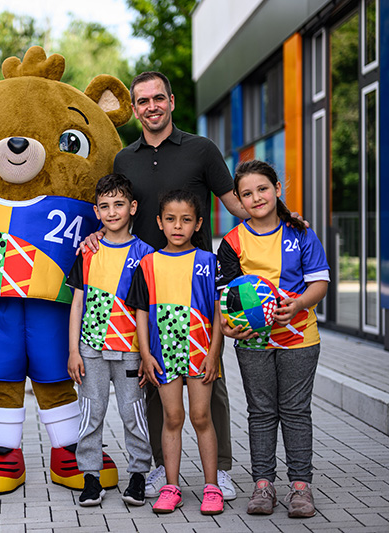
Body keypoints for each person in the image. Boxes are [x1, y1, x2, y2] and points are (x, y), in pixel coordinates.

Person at [84, 71, 245, 500]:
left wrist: (282, 219)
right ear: (134, 108)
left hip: (197, 286)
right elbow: (115, 207)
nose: (151, 106)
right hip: (146, 286)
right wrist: (95, 234)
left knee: (212, 384)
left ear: (171, 102)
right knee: (150, 379)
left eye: (158, 98)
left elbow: (236, 204)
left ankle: (221, 470)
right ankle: (160, 468)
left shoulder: (201, 150)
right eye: (142, 101)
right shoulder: (125, 159)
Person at [217, 160, 329, 518]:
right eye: (247, 193)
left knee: (295, 412)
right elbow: (227, 299)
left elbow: (320, 284)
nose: (256, 197)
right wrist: (228, 326)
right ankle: (263, 485)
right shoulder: (232, 243)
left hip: (300, 338)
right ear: (238, 200)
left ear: (277, 189)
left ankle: (300, 487)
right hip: (253, 342)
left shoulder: (300, 233)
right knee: (261, 412)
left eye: (262, 189)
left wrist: (297, 304)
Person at [126, 189, 224, 515]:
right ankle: (171, 487)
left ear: (198, 224)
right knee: (172, 418)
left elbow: (219, 314)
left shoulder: (210, 264)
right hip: (163, 354)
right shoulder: (148, 264)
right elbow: (140, 312)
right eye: (170, 219)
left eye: (185, 220)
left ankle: (212, 487)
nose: (177, 226)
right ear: (160, 222)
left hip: (199, 354)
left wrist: (213, 354)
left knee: (200, 416)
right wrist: (145, 353)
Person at [66, 174, 155, 507]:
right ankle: (91, 477)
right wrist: (73, 350)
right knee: (91, 412)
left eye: (119, 204)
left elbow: (150, 310)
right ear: (96, 210)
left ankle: (138, 475)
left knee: (134, 413)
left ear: (132, 207)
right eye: (105, 206)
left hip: (132, 350)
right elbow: (77, 303)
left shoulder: (147, 254)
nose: (112, 211)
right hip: (91, 349)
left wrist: (148, 354)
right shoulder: (88, 251)